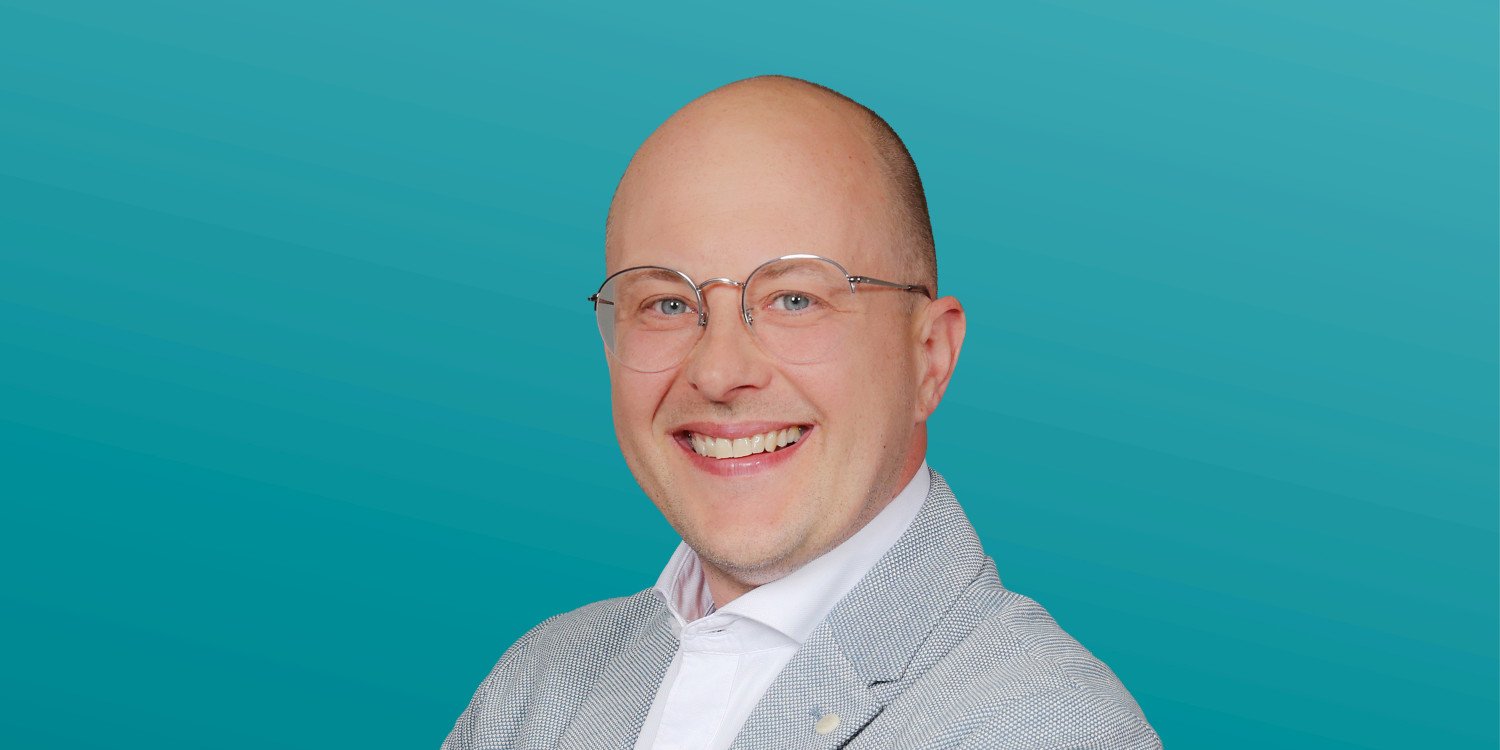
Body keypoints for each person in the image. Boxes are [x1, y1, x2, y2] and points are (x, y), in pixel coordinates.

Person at [443, 75, 1160, 750]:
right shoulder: (540, 688)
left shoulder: (1041, 726)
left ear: (929, 357)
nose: (718, 372)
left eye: (795, 300)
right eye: (666, 304)